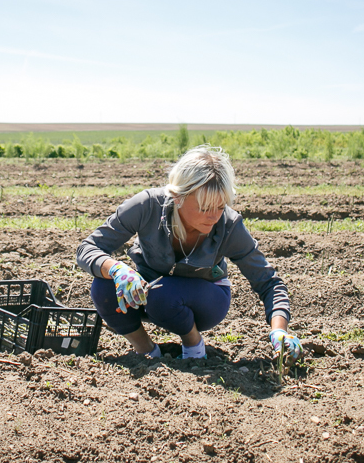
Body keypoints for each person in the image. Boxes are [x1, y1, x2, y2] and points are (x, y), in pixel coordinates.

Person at [76, 145, 303, 361]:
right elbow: (87, 248)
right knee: (104, 285)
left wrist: (279, 332)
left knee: (161, 294)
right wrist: (116, 269)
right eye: (204, 208)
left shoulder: (229, 225)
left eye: (221, 206)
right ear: (177, 197)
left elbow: (269, 283)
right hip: (151, 292)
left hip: (205, 299)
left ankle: (193, 345)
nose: (214, 216)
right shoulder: (147, 206)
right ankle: (146, 350)